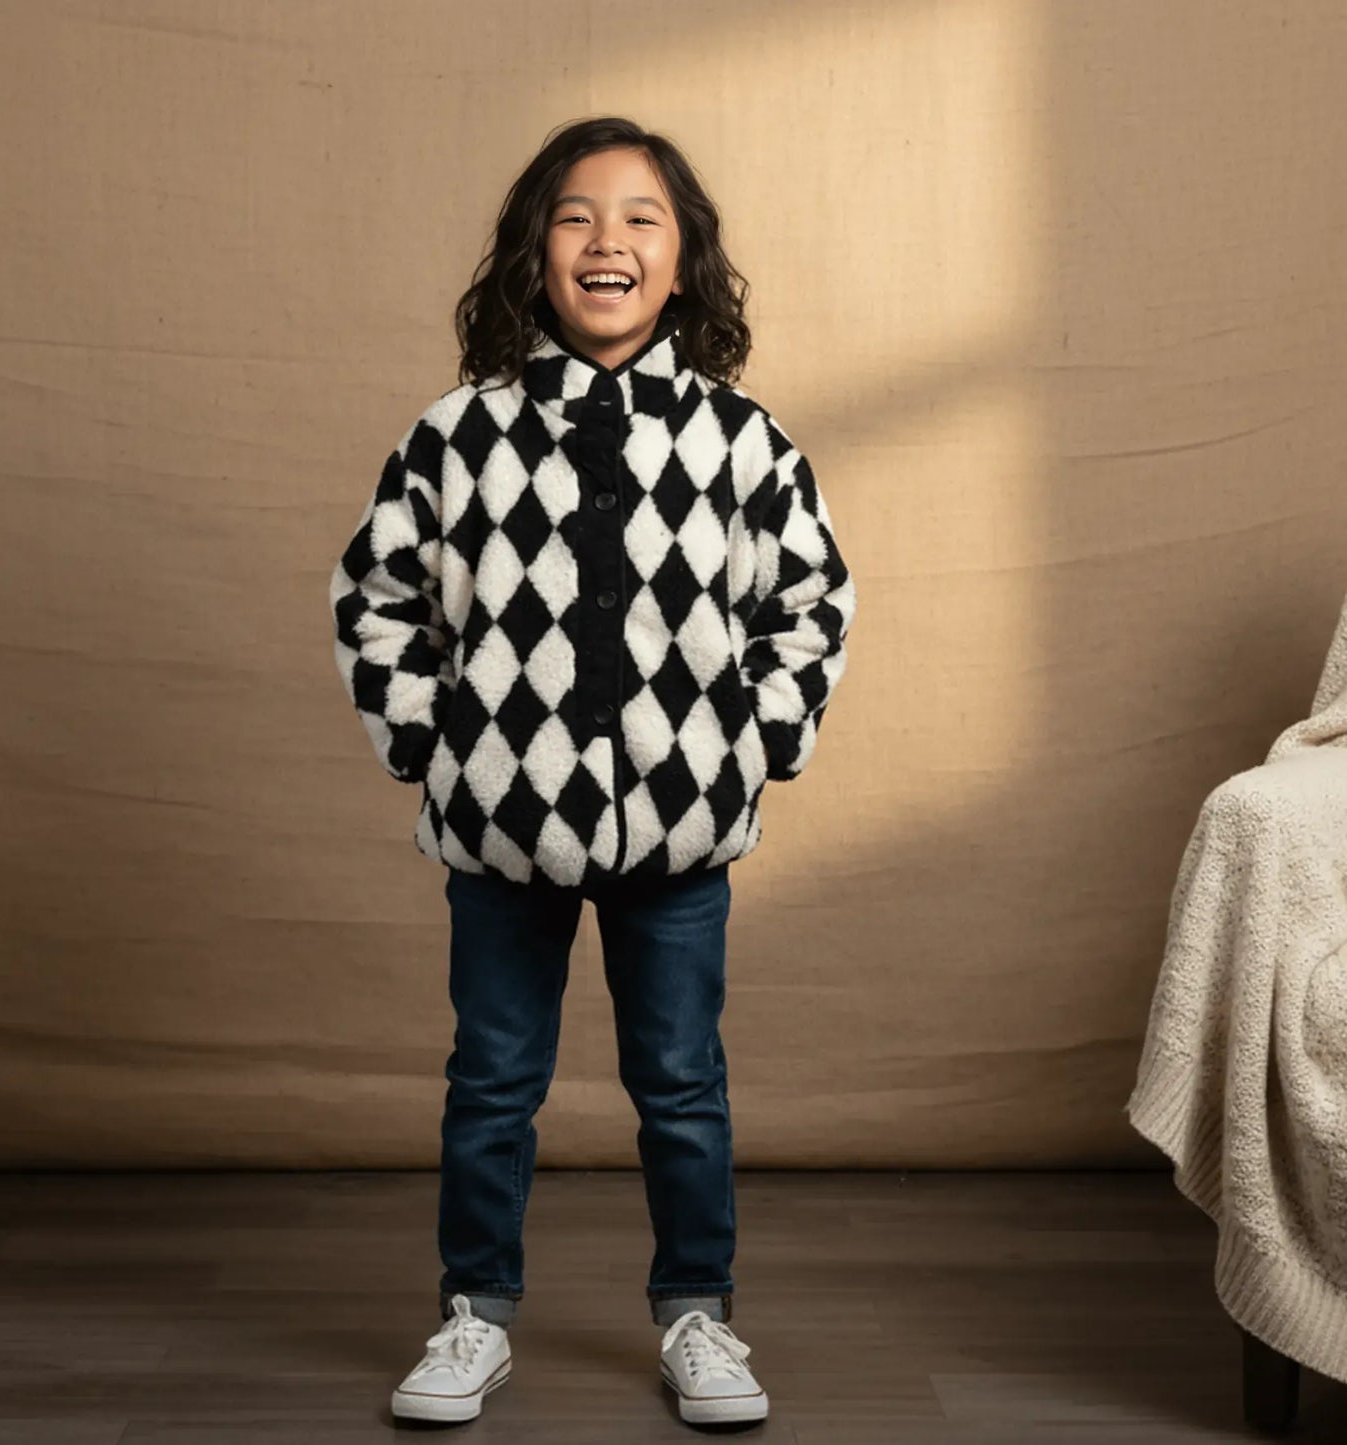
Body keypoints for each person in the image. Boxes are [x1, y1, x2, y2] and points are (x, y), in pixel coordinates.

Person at [328, 115, 855, 1427]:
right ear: (530, 252)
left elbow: (810, 599)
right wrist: (426, 745)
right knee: (491, 1076)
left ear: (684, 264)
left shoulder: (739, 440)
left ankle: (697, 1313)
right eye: (574, 215)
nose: (606, 240)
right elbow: (376, 595)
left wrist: (758, 744)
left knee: (680, 1078)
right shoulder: (460, 434)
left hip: (679, 832)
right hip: (501, 829)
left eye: (640, 219)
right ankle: (473, 1312)